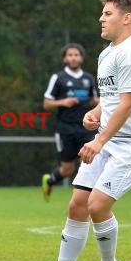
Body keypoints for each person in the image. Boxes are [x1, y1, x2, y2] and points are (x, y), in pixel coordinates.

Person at [24, 0, 131, 261]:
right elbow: (111, 101)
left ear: (127, 18)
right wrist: (94, 113)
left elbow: (127, 105)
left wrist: (99, 139)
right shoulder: (107, 53)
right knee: (77, 205)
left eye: (108, 13)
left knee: (97, 205)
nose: (101, 18)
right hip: (109, 141)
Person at [41, 43, 99, 201]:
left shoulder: (88, 78)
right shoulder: (58, 78)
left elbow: (94, 100)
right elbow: (46, 103)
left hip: (86, 129)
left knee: (89, 163)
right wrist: (63, 102)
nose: (73, 58)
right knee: (67, 169)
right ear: (64, 58)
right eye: (70, 55)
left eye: (76, 55)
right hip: (65, 129)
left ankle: (85, 198)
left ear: (81, 58)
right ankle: (50, 180)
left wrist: (110, 101)